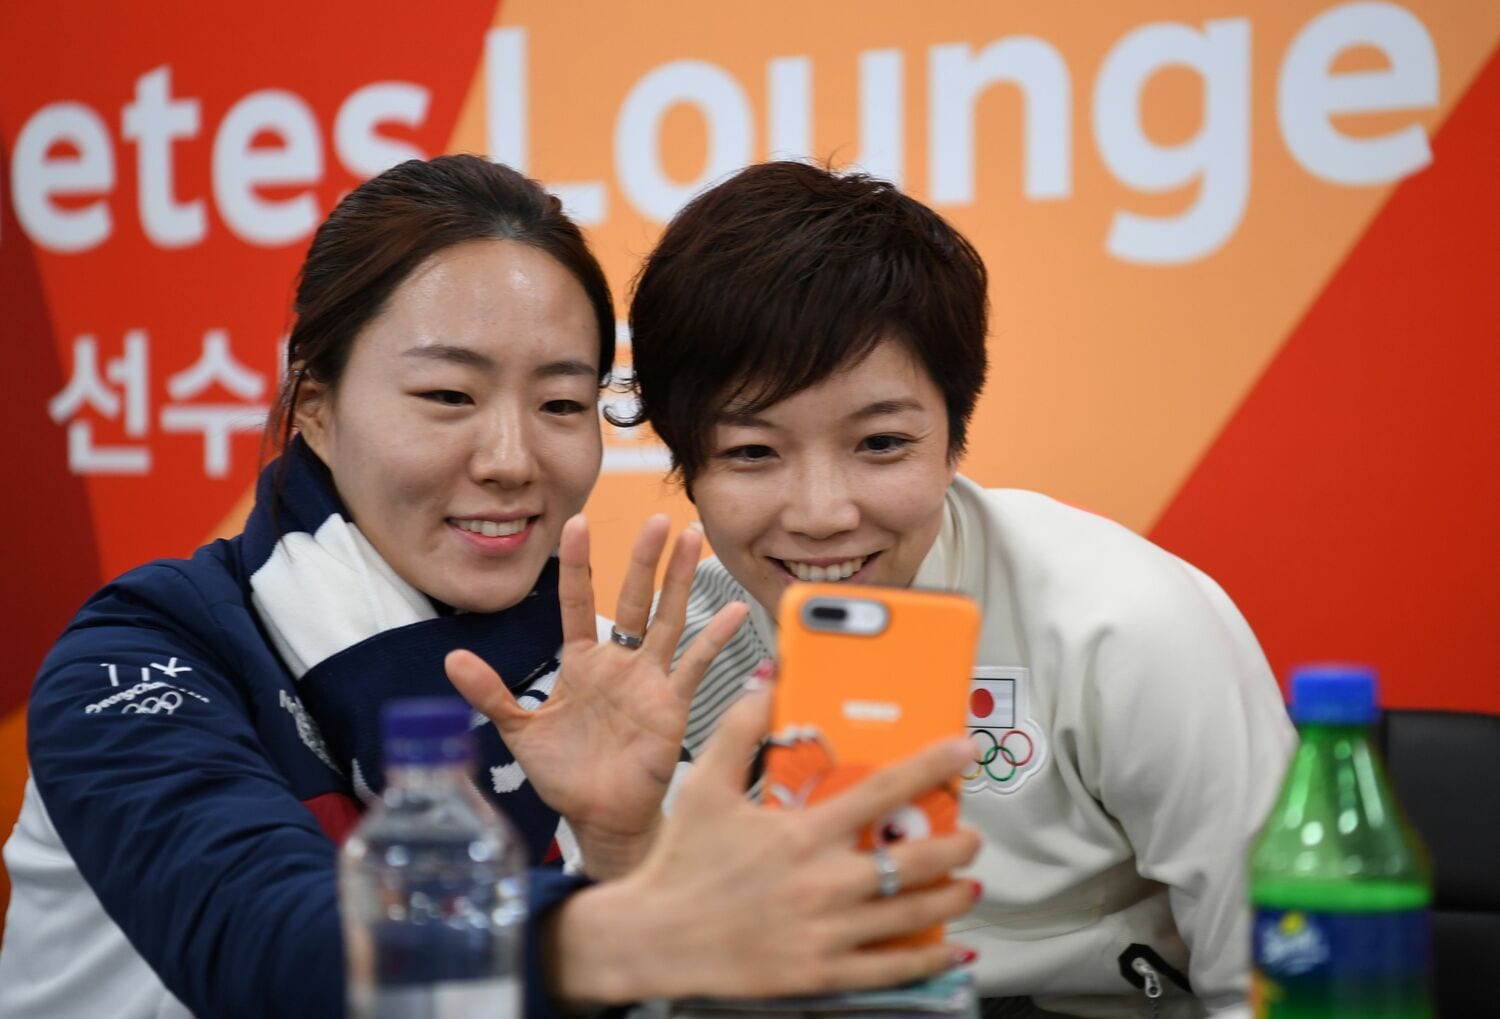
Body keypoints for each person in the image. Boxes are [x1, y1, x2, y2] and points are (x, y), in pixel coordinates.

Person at [0, 155, 983, 1019]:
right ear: (316, 406)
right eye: (448, 396)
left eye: (562, 401)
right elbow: (270, 945)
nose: (513, 459)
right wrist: (624, 928)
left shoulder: (624, 666)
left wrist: (619, 840)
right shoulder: (144, 651)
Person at [623, 160, 1297, 1018]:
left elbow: (1289, 979)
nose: (823, 514)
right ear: (686, 463)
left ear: (952, 436)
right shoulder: (687, 652)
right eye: (754, 452)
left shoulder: (1122, 626)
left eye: (880, 444)